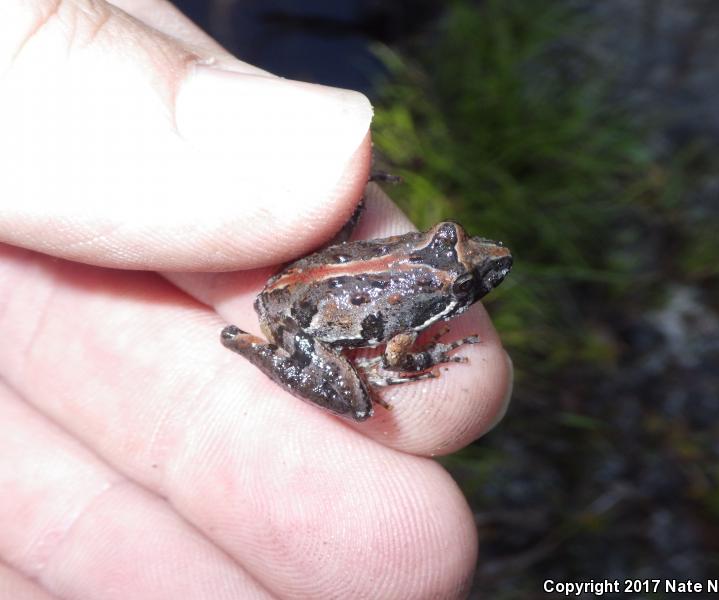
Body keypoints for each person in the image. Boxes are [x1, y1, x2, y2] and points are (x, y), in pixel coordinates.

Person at [0, 1, 512, 598]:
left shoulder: (412, 265)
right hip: (300, 319)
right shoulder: (407, 325)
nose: (486, 256)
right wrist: (422, 358)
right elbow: (398, 356)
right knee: (363, 402)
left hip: (292, 284)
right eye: (462, 271)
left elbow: (368, 278)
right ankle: (266, 338)